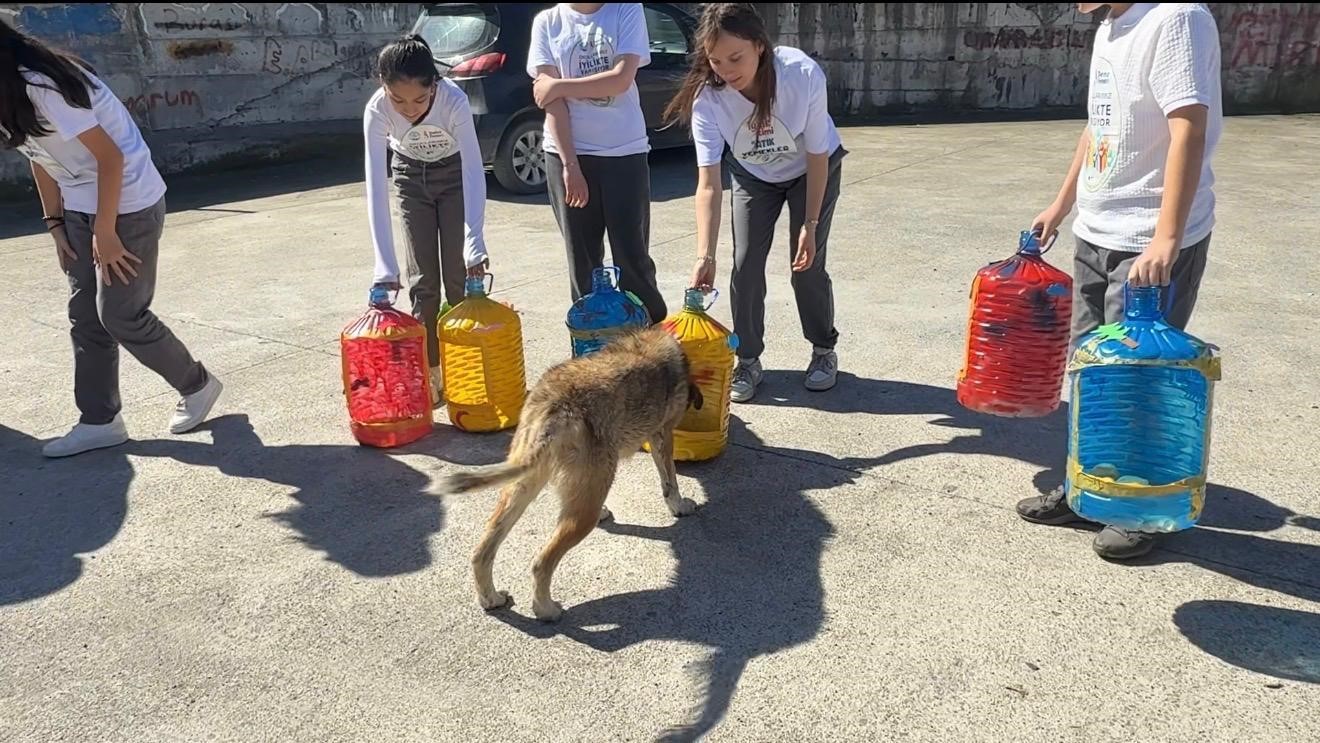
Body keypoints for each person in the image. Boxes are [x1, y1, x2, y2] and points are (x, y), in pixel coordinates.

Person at [1016, 2, 1223, 560]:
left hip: (1148, 239)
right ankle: (1089, 490)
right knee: (1091, 376)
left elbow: (1189, 129)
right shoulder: (1111, 24)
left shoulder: (1177, 18)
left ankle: (1138, 510)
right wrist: (1061, 205)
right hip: (1097, 227)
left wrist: (1166, 238)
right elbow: (1098, 126)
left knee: (1135, 383)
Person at [1, 20, 223, 458]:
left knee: (120, 315)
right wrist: (56, 224)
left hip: (129, 203)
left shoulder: (41, 86)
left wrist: (105, 231)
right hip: (81, 204)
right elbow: (39, 156)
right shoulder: (11, 96)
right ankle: (100, 421)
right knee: (84, 315)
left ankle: (197, 384)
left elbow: (110, 157)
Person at [662, 3, 845, 403]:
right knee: (744, 267)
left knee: (807, 265)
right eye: (715, 61)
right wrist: (704, 255)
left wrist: (809, 226)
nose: (726, 70)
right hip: (753, 175)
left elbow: (817, 155)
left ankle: (823, 349)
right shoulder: (708, 101)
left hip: (811, 170)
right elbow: (708, 184)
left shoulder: (800, 74)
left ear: (760, 46)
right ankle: (747, 358)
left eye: (735, 57)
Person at [364, 35, 489, 405]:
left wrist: (475, 237)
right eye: (397, 99)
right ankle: (431, 373)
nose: (409, 109)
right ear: (382, 87)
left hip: (453, 177)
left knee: (459, 278)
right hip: (408, 178)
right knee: (422, 284)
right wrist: (383, 265)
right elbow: (374, 182)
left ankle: (468, 368)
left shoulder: (454, 100)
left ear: (434, 85)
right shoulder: (376, 109)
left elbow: (473, 169)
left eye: (419, 99)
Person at [527, 2, 667, 325]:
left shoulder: (626, 10)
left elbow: (620, 79)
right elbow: (551, 103)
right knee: (583, 265)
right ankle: (592, 346)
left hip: (624, 152)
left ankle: (652, 345)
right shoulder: (547, 23)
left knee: (633, 259)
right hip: (567, 156)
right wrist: (570, 165)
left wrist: (560, 84)